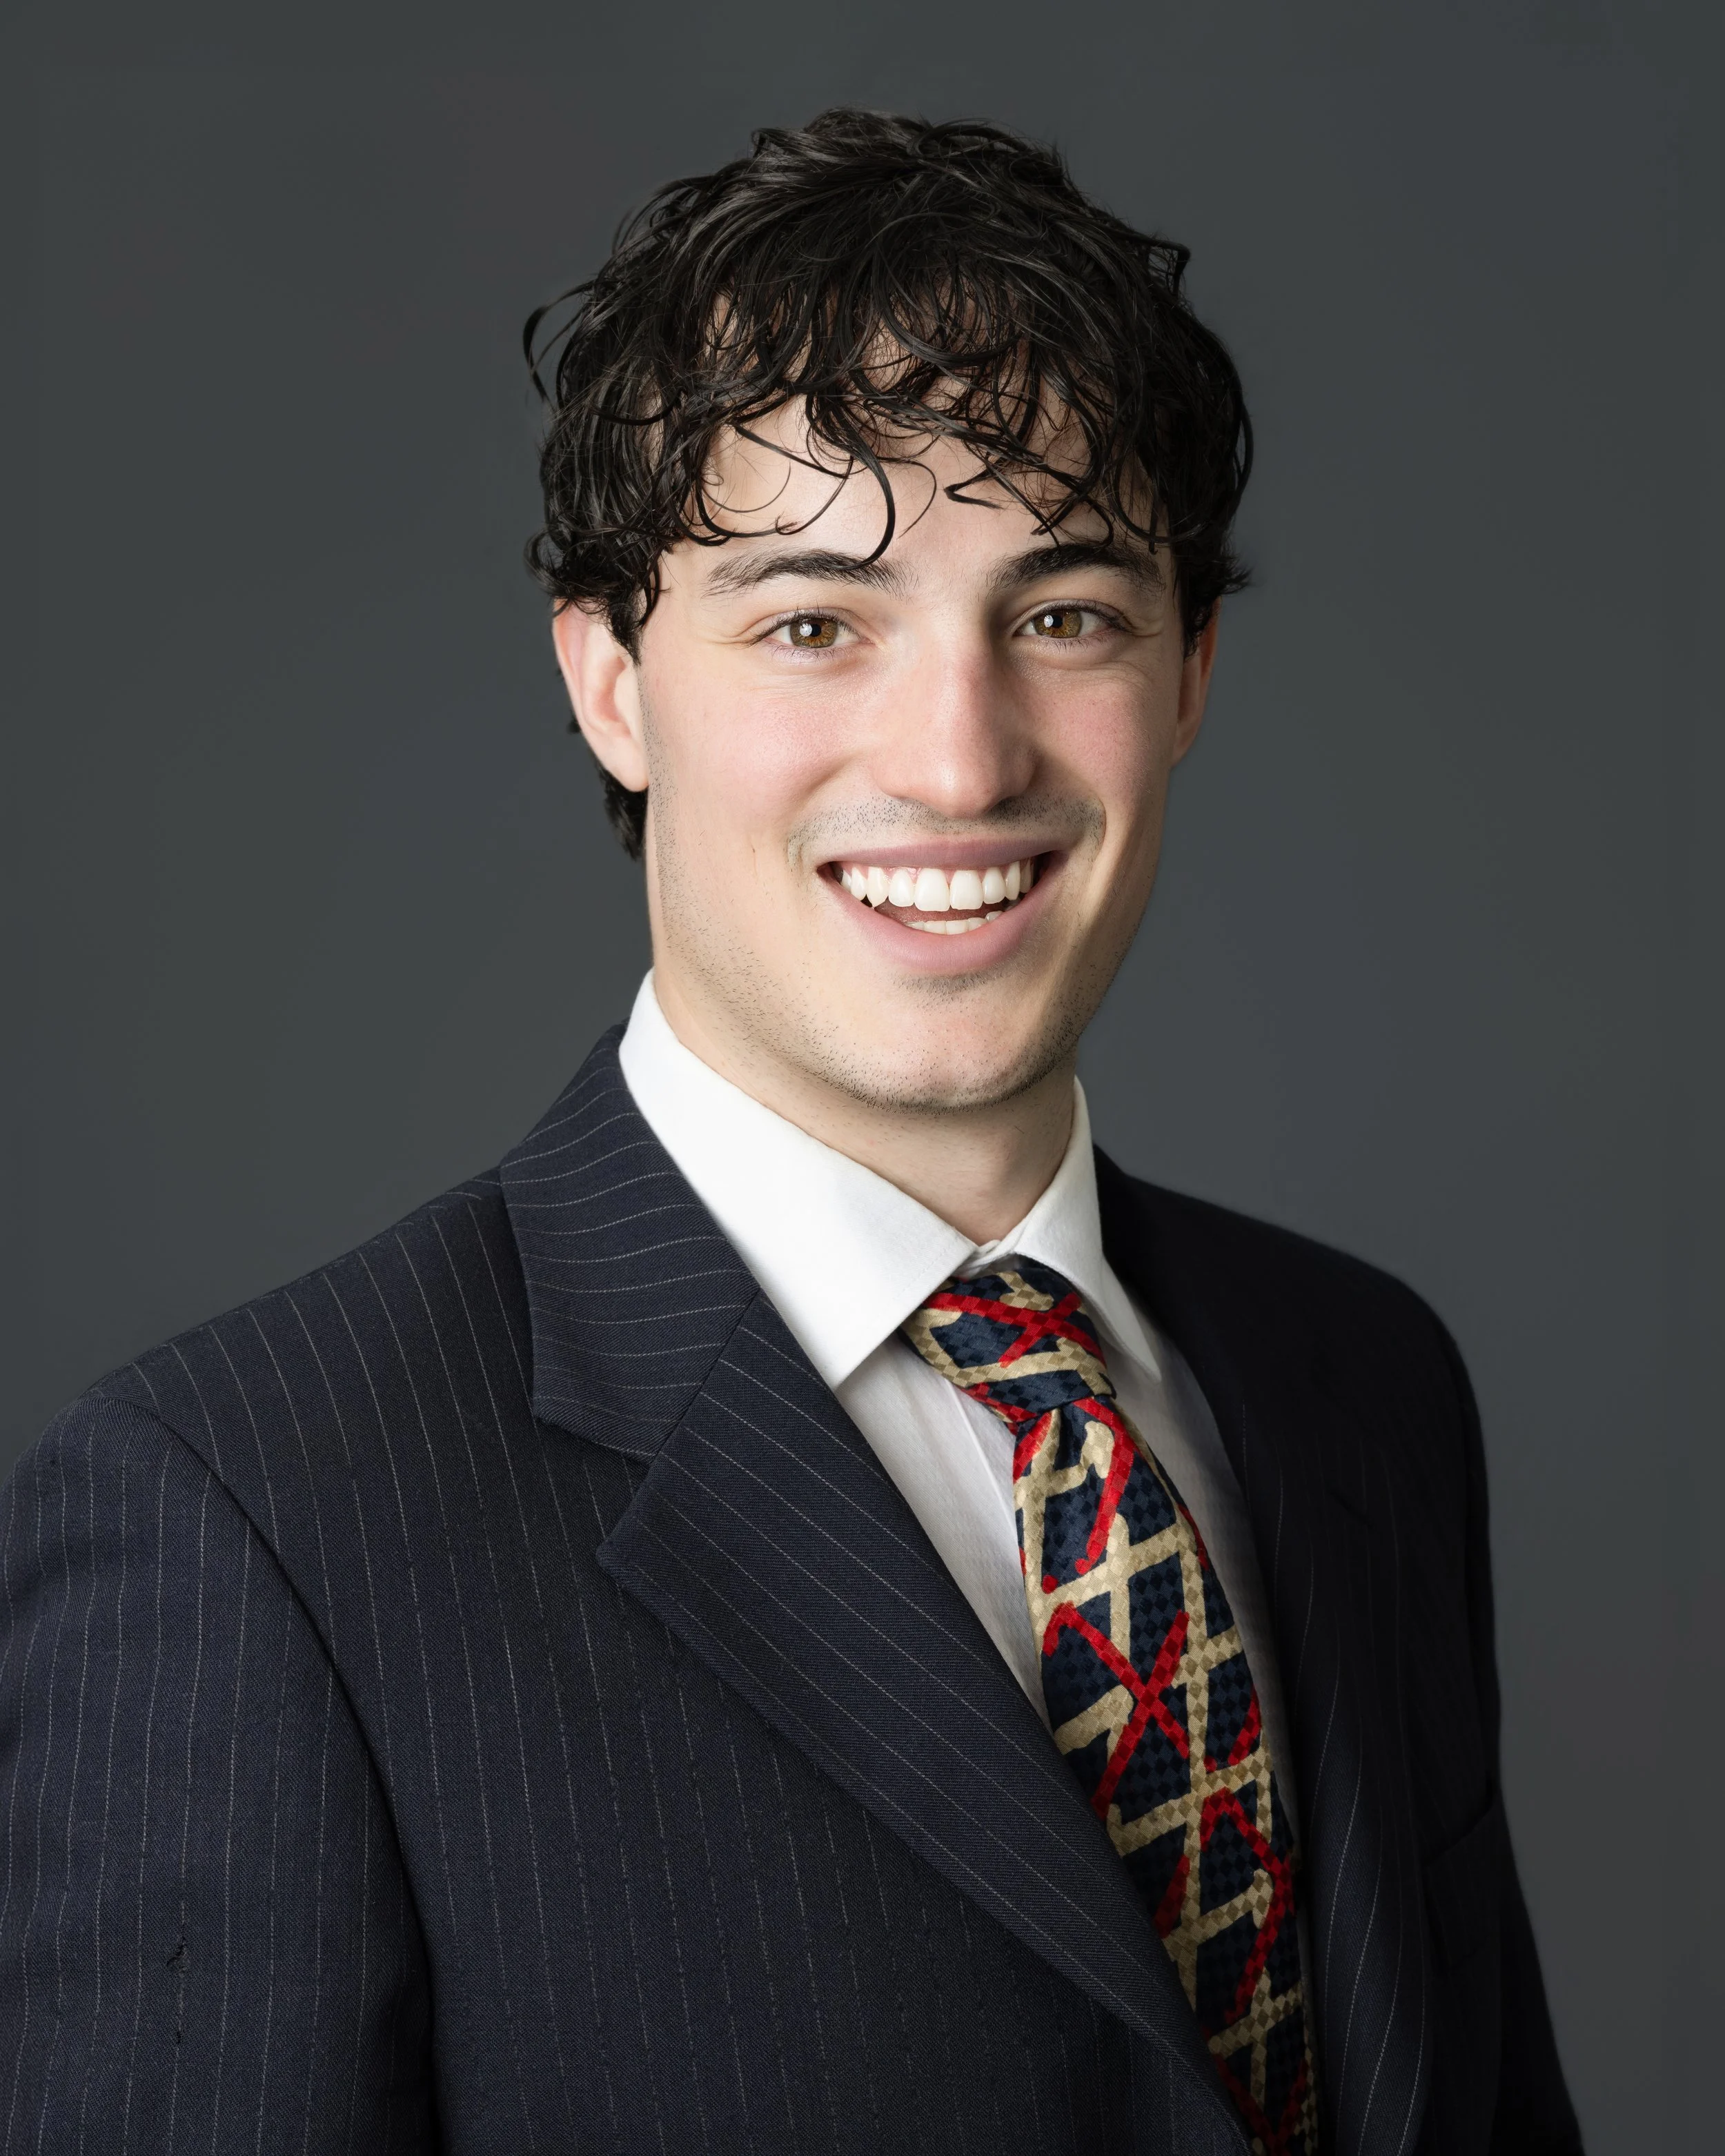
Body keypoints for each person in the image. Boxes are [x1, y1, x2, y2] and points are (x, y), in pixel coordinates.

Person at [0, 110, 1581, 2156]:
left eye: (1067, 611)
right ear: (612, 686)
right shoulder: (249, 1521)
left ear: (1188, 670)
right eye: (815, 618)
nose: (957, 753)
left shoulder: (1359, 1385)